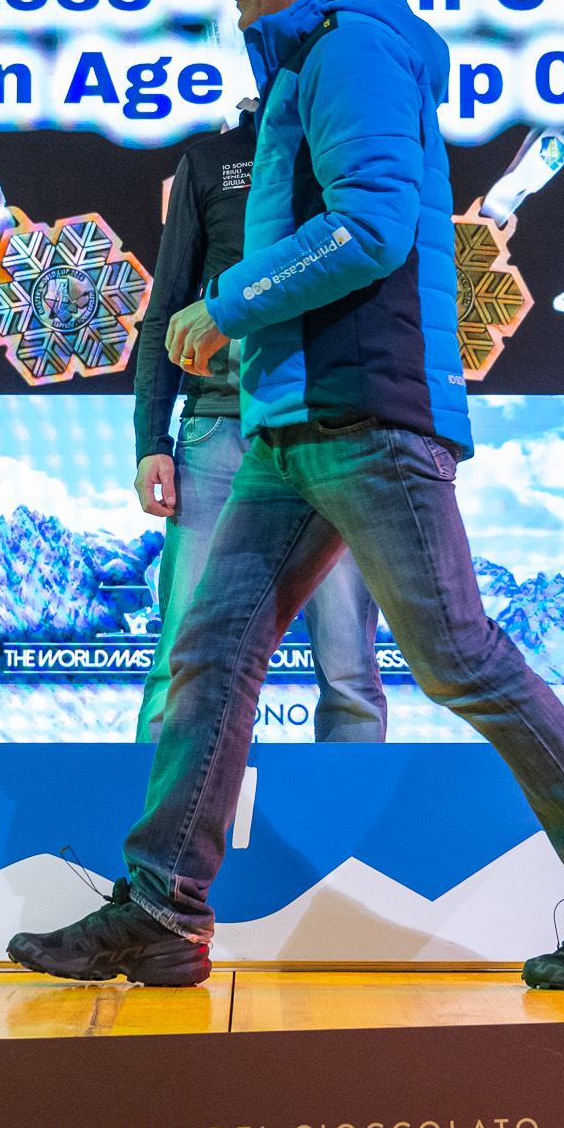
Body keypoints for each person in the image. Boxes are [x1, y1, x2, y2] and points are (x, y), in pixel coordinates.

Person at [11, 0, 564, 992]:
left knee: (455, 653)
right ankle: (164, 907)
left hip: (367, 412)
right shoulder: (313, 56)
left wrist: (227, 305)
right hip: (296, 423)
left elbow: (373, 227)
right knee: (211, 651)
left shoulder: (353, 48)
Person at [131, 105, 387, 745]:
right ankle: (159, 810)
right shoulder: (212, 160)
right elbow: (167, 307)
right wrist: (150, 442)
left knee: (349, 667)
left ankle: (349, 813)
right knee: (181, 656)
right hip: (221, 425)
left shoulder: (356, 149)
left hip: (333, 429)